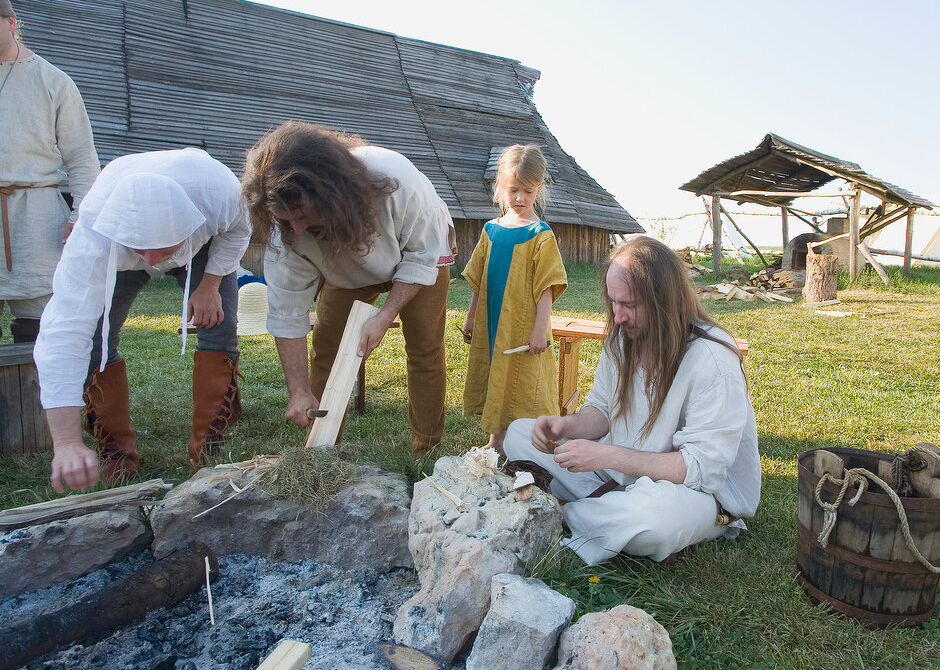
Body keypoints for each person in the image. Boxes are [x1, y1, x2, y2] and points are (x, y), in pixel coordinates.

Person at [504, 236, 761, 565]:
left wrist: (606, 455)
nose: (618, 315)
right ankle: (600, 515)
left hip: (694, 494)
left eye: (629, 305)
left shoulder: (712, 360)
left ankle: (565, 513)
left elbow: (700, 469)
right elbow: (602, 410)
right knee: (518, 434)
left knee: (654, 522)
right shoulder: (623, 337)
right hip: (620, 476)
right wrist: (566, 425)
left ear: (664, 302)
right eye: (613, 302)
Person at [35, 149, 252, 492]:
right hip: (119, 253)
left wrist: (210, 283)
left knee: (219, 329)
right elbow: (62, 332)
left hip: (202, 249)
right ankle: (117, 453)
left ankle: (207, 448)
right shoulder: (94, 235)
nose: (151, 261)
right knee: (95, 338)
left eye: (162, 248)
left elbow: (239, 232)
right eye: (143, 249)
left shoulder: (221, 195)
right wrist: (65, 444)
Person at [242, 121, 455, 457]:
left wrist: (386, 315)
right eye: (285, 218)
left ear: (331, 195)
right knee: (327, 350)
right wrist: (297, 390)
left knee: (424, 351)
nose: (296, 227)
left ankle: (426, 452)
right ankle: (323, 452)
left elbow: (421, 258)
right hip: (345, 273)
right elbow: (287, 313)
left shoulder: (398, 182)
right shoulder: (284, 233)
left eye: (302, 213)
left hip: (418, 261)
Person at [0, 0, 100, 343]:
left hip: (36, 215)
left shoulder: (52, 81)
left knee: (41, 318)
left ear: (11, 23)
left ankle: (40, 398)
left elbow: (82, 159)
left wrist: (80, 216)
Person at [462, 144, 567, 454]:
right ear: (500, 188)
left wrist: (539, 330)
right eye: (513, 190)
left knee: (521, 381)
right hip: (492, 320)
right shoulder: (490, 231)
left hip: (523, 327)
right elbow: (478, 281)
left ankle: (528, 442)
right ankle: (496, 440)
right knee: (496, 370)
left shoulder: (540, 234)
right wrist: (470, 317)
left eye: (528, 191)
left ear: (540, 189)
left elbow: (547, 287)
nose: (520, 198)